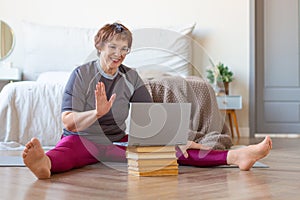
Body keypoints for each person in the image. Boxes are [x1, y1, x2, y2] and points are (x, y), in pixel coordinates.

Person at [22, 22, 272, 179]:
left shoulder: (131, 77)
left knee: (172, 152)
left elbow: (150, 116)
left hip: (116, 141)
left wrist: (180, 141)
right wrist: (96, 113)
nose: (118, 54)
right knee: (66, 153)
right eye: (113, 47)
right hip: (81, 139)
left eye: (124, 49)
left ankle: (237, 157)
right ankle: (45, 165)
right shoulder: (81, 74)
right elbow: (68, 122)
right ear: (99, 46)